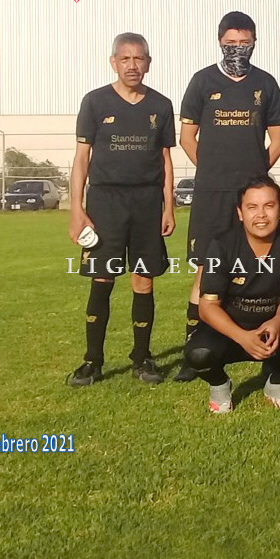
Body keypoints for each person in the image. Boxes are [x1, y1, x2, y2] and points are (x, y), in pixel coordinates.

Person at [173, 11, 280, 382]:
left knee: (259, 266)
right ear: (220, 42)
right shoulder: (202, 81)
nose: (238, 48)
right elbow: (186, 137)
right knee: (205, 269)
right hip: (211, 194)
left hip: (250, 198)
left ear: (254, 42)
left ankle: (265, 342)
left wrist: (254, 177)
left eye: (244, 42)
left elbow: (279, 140)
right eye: (231, 43)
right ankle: (194, 351)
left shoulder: (266, 84)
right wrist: (211, 172)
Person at [67, 33, 175, 387]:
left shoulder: (160, 105)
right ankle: (92, 361)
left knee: (143, 280)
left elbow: (165, 160)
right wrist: (77, 210)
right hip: (105, 203)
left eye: (139, 58)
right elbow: (81, 159)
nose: (132, 65)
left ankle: (142, 359)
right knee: (103, 279)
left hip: (146, 203)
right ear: (113, 62)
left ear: (148, 63)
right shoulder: (95, 102)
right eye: (125, 59)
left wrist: (169, 207)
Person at [184, 177, 280, 413]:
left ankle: (277, 384)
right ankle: (219, 385)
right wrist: (242, 337)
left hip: (274, 330)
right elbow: (207, 307)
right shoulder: (222, 244)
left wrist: (277, 322)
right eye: (252, 207)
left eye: (269, 206)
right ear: (240, 212)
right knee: (197, 354)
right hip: (231, 330)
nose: (261, 215)